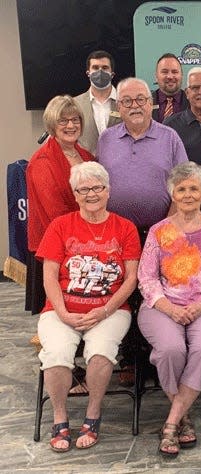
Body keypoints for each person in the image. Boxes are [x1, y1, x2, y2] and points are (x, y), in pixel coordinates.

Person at [36, 162, 141, 452]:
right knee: (56, 353)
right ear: (75, 194)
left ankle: (92, 415)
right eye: (84, 189)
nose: (91, 194)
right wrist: (63, 312)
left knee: (100, 352)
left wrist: (105, 310)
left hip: (111, 311)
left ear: (108, 191)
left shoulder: (125, 228)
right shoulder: (60, 226)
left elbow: (131, 279)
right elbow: (49, 277)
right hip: (61, 310)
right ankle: (60, 418)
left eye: (97, 188)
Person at [137, 162, 201, 458]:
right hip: (163, 305)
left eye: (194, 188)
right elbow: (146, 278)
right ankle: (184, 416)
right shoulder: (159, 231)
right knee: (170, 350)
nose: (188, 194)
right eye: (181, 189)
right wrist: (169, 308)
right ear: (173, 194)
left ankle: (172, 419)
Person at [96, 77, 188, 385]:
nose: (134, 106)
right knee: (123, 294)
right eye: (127, 101)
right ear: (118, 106)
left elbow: (182, 186)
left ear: (152, 104)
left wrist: (167, 229)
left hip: (160, 232)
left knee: (154, 295)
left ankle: (157, 358)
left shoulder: (170, 137)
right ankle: (129, 360)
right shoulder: (106, 139)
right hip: (116, 235)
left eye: (140, 100)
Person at [26, 95, 94, 317]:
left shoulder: (86, 156)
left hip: (87, 240)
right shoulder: (42, 162)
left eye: (75, 119)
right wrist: (89, 235)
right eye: (63, 121)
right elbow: (54, 213)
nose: (71, 125)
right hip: (59, 245)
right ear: (52, 125)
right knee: (63, 311)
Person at [73, 50, 121, 154]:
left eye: (104, 68)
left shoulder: (126, 101)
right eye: (95, 67)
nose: (100, 72)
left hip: (121, 166)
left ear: (112, 74)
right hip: (86, 167)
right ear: (88, 73)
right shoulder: (75, 104)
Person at [152, 53, 189, 123]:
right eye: (165, 72)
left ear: (182, 75)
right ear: (156, 76)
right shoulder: (144, 103)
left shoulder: (192, 102)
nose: (170, 76)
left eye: (174, 72)